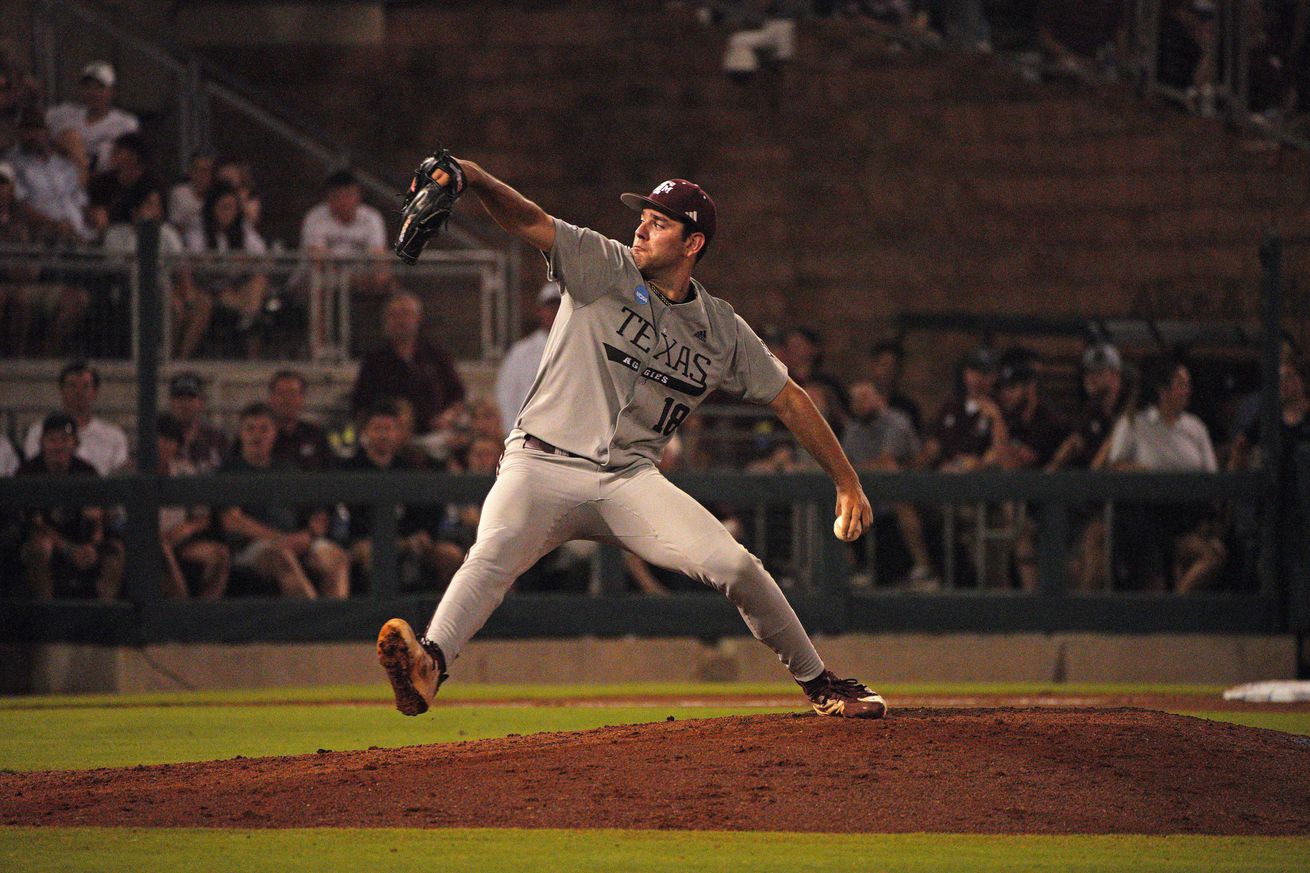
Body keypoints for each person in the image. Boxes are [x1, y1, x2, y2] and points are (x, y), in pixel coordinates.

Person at [377, 160, 884, 720]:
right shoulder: (604, 265)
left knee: (738, 568)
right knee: (492, 554)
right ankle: (431, 662)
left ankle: (820, 684)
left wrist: (846, 480)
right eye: (641, 217)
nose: (640, 229)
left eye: (658, 222)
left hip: (629, 479)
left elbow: (789, 397)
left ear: (693, 243)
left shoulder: (721, 328)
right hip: (539, 464)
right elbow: (528, 221)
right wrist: (472, 175)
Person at [1102, 357, 1224, 592]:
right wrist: (1144, 473)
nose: (1186, 390)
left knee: (1212, 557)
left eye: (1187, 384)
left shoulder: (1195, 427)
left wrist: (1211, 520)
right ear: (1163, 390)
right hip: (1147, 518)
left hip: (1188, 518)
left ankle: (1174, 607)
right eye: (1180, 384)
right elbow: (1114, 465)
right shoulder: (1136, 423)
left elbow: (1213, 477)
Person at [218, 402, 349, 598]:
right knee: (282, 558)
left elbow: (317, 511)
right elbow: (232, 521)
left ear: (274, 433)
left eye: (264, 429)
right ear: (241, 433)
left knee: (336, 558)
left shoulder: (288, 470)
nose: (257, 435)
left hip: (297, 539)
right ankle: (316, 624)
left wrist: (309, 534)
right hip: (253, 546)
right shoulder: (230, 472)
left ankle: (338, 623)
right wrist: (279, 539)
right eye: (250, 428)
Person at [341, 401, 460, 591]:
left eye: (389, 429)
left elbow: (426, 510)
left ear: (398, 433)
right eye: (377, 429)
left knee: (450, 555)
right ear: (364, 432)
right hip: (365, 542)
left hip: (409, 538)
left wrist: (420, 535)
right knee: (371, 552)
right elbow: (351, 518)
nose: (383, 435)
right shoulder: (349, 469)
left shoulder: (410, 468)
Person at [16, 413, 125, 600]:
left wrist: (92, 545)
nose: (58, 446)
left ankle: (105, 618)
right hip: (45, 541)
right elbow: (34, 524)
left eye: (65, 440)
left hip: (82, 541)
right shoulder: (28, 473)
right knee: (40, 548)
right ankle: (47, 618)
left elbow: (99, 516)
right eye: (52, 440)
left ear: (75, 443)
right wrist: (69, 550)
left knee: (116, 551)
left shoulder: (86, 472)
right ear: (42, 442)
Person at [842, 379, 938, 589]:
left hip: (911, 492)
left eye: (865, 397)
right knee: (842, 504)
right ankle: (853, 569)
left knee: (900, 502)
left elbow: (887, 464)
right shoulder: (853, 428)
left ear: (880, 398)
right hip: (869, 493)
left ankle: (924, 569)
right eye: (856, 399)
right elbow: (843, 463)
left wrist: (853, 471)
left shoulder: (896, 421)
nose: (860, 404)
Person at [103, 182, 211, 360]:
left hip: (167, 287)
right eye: (150, 205)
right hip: (131, 290)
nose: (156, 210)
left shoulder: (167, 232)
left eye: (158, 205)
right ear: (135, 210)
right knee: (172, 306)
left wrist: (188, 294)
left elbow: (180, 265)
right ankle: (162, 359)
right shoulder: (116, 234)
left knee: (202, 303)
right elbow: (118, 269)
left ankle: (179, 359)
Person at [350, 290, 466, 434]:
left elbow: (457, 395)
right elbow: (361, 405)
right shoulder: (373, 361)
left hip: (433, 436)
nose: (400, 321)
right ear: (386, 321)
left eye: (405, 314)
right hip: (391, 438)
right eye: (394, 315)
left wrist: (447, 418)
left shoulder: (437, 356)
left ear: (418, 318)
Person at [185, 179, 270, 351]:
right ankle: (181, 358)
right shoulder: (197, 228)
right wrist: (234, 262)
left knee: (258, 282)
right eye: (224, 207)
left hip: (234, 290)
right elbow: (199, 262)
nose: (230, 212)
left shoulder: (243, 229)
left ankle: (248, 323)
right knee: (209, 300)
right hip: (204, 289)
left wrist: (241, 263)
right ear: (212, 208)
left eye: (233, 207)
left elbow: (264, 258)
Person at [156, 412, 229, 600]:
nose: (162, 445)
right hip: (144, 542)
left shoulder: (186, 472)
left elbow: (202, 516)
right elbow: (118, 519)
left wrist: (187, 528)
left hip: (180, 540)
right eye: (158, 438)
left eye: (169, 440)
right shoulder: (128, 470)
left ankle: (206, 615)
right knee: (162, 552)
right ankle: (183, 614)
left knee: (220, 554)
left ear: (177, 445)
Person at [24, 360, 129, 476]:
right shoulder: (38, 431)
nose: (79, 392)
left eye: (85, 386)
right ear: (62, 390)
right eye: (72, 386)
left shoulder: (114, 435)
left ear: (95, 392)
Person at [6, 105, 93, 244]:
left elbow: (80, 199)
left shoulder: (63, 163)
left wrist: (93, 217)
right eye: (26, 129)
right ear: (18, 132)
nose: (31, 135)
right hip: (43, 235)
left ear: (46, 131)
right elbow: (18, 205)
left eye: (37, 129)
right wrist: (53, 225)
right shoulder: (11, 165)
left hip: (80, 233)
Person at [45, 62, 139, 180]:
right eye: (88, 86)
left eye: (100, 87)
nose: (93, 92)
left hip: (106, 182)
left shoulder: (125, 123)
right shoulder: (64, 113)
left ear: (112, 91)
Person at [495, 280, 562, 431]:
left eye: (559, 307)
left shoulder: (582, 348)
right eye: (549, 307)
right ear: (539, 311)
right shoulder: (521, 352)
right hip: (529, 436)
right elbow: (506, 396)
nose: (554, 312)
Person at [267, 369, 334, 471]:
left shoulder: (316, 436)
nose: (286, 400)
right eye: (281, 393)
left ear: (302, 398)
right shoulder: (257, 436)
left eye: (292, 393)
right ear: (271, 398)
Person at [166, 372, 229, 473]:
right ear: (171, 402)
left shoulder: (217, 439)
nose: (185, 403)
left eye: (191, 397)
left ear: (201, 401)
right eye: (179, 397)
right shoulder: (160, 440)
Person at [167, 150, 216, 238]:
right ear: (190, 172)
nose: (201, 175)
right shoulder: (178, 193)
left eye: (205, 170)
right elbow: (174, 228)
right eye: (197, 170)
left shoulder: (218, 194)